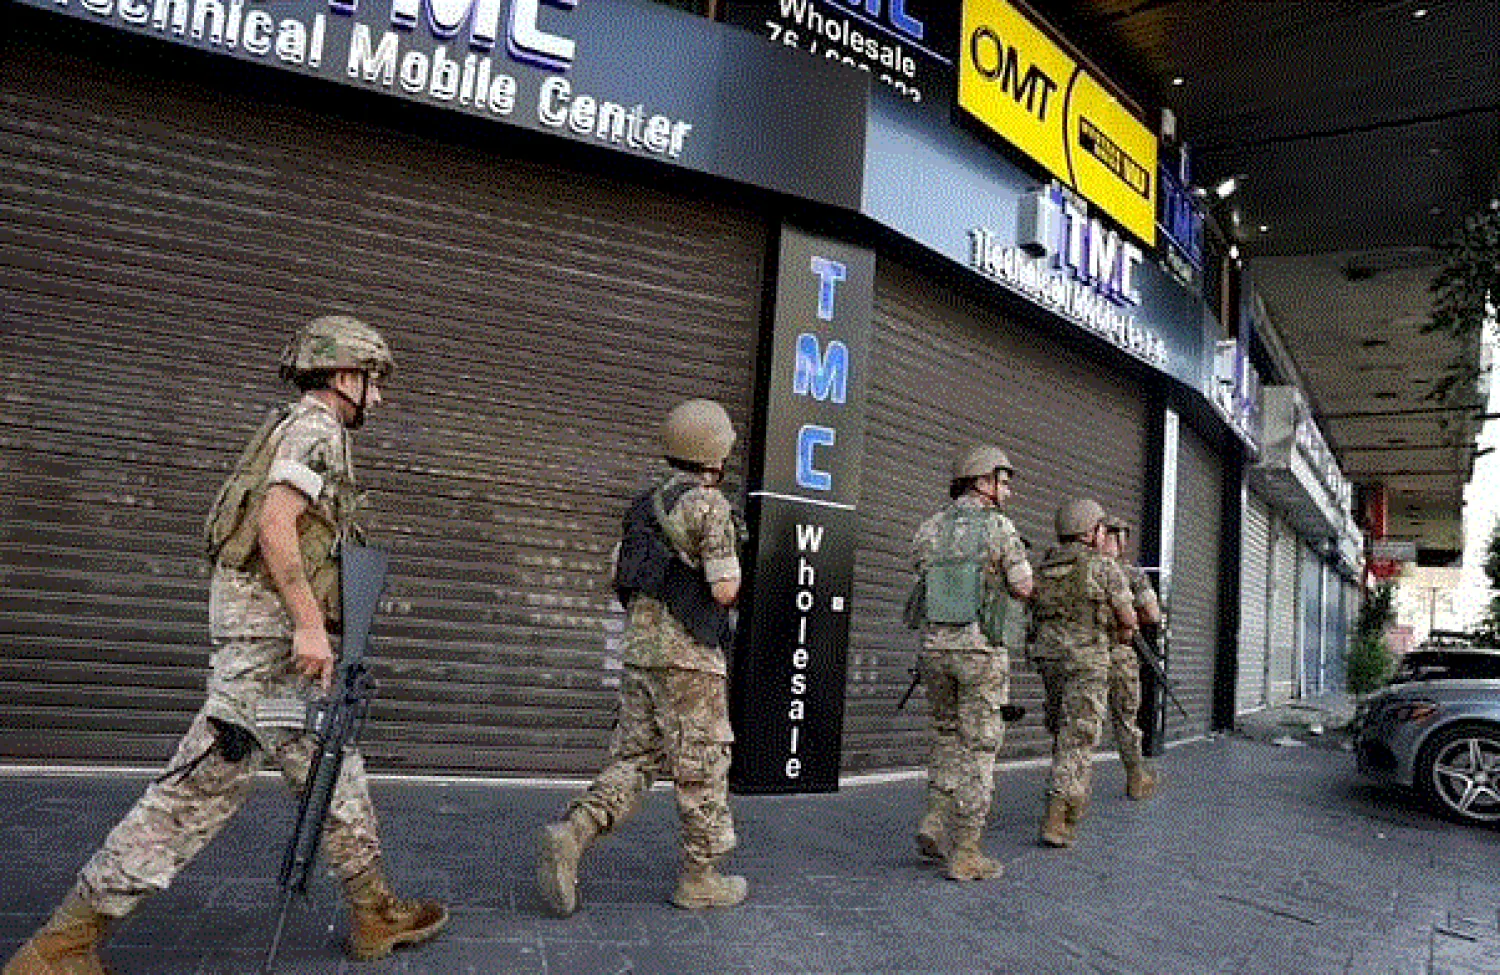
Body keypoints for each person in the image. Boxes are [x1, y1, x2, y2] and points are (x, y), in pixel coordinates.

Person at [3, 315, 448, 975]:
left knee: (331, 764)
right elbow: (275, 523)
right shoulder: (317, 428)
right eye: (373, 381)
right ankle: (64, 944)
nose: (377, 398)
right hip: (270, 643)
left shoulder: (291, 425)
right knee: (200, 788)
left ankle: (372, 908)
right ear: (343, 374)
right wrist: (305, 621)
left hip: (277, 644)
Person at [537, 398, 747, 916]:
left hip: (640, 654)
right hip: (690, 660)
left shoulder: (642, 505)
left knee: (635, 758)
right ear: (714, 453)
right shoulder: (708, 504)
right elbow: (723, 589)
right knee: (702, 766)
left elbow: (619, 576)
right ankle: (701, 878)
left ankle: (574, 831)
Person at [909, 445, 1034, 881]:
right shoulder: (1000, 528)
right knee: (979, 748)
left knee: (945, 735)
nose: (1008, 492)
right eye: (1003, 482)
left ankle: (935, 820)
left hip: (935, 651)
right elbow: (1022, 587)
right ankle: (966, 851)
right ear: (982, 482)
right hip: (980, 652)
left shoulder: (929, 528)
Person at [1030, 499, 1137, 849]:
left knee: (1062, 729)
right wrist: (1119, 635)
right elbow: (1129, 619)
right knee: (1079, 736)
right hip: (1087, 662)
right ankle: (1059, 815)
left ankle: (1063, 797)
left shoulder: (1043, 568)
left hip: (1049, 660)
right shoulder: (1103, 568)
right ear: (1092, 533)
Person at [1101, 516, 1164, 799]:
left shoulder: (1081, 567)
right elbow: (1153, 614)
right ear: (1122, 540)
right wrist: (1125, 621)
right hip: (1119, 654)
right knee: (1126, 720)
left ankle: (1067, 788)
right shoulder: (1131, 574)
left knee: (1076, 725)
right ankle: (1136, 778)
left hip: (1079, 656)